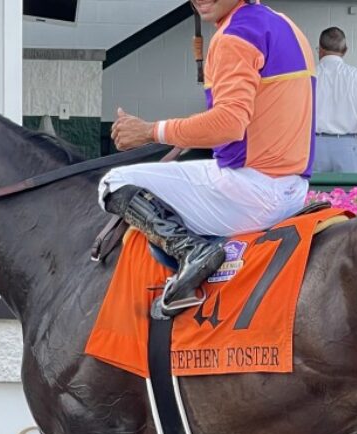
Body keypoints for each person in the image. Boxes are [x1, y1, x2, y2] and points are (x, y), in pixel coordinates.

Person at [100, 0, 315, 314]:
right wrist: (179, 139)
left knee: (114, 181)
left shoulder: (233, 37)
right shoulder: (284, 24)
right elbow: (255, 118)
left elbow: (229, 124)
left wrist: (151, 131)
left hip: (251, 191)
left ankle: (193, 253)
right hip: (292, 188)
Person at [313, 27, 357, 173]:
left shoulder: (309, 76)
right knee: (350, 194)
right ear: (345, 50)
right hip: (349, 147)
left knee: (314, 194)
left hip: (314, 146)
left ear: (320, 49)